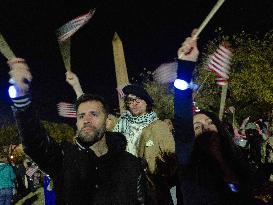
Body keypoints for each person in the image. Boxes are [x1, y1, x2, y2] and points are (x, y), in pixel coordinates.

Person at [8, 58, 149, 205]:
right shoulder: (63, 159)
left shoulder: (131, 164)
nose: (86, 119)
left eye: (93, 114)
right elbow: (34, 142)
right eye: (81, 116)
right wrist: (21, 97)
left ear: (107, 122)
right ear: (76, 122)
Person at [172, 30, 273, 205]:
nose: (205, 127)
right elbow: (181, 115)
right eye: (197, 127)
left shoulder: (234, 158)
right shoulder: (188, 161)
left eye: (210, 122)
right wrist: (185, 68)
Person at [66, 70, 177, 204]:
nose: (134, 103)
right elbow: (94, 116)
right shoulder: (120, 123)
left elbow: (171, 158)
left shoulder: (159, 126)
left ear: (147, 102)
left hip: (153, 188)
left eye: (138, 100)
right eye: (130, 101)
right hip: (123, 184)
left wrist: (153, 169)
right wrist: (77, 87)